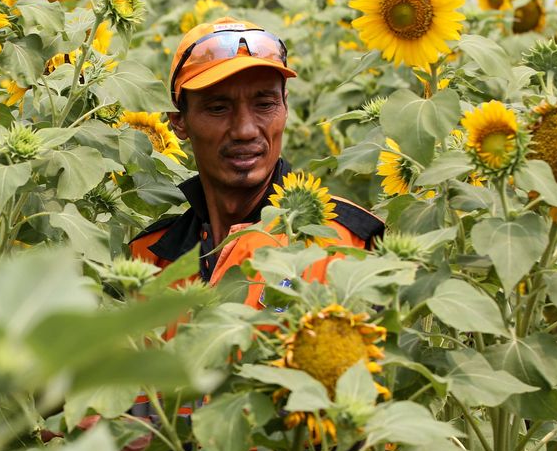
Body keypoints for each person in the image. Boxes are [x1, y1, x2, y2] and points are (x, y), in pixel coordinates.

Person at [130, 17, 384, 293]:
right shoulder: (147, 261)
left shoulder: (349, 245)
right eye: (218, 108)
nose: (245, 130)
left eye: (264, 105)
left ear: (286, 107)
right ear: (178, 120)